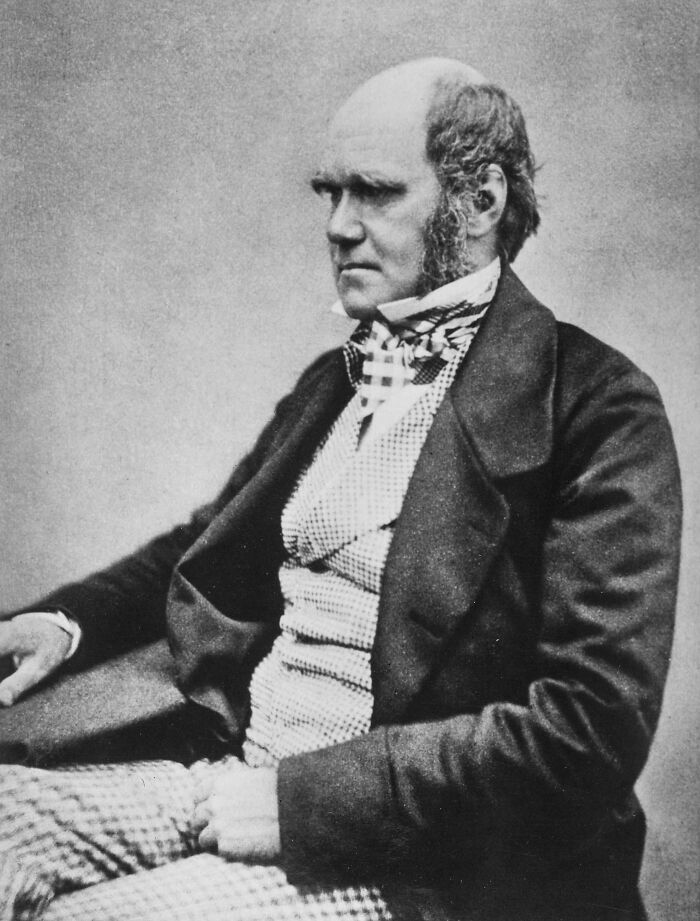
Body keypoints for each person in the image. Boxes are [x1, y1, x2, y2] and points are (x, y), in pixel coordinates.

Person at [0, 57, 681, 921]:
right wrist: (64, 624)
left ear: (482, 202)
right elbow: (206, 545)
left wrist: (299, 805)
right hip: (235, 775)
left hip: (419, 862)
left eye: (375, 191)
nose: (339, 225)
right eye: (330, 193)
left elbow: (586, 733)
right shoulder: (337, 381)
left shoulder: (595, 409)